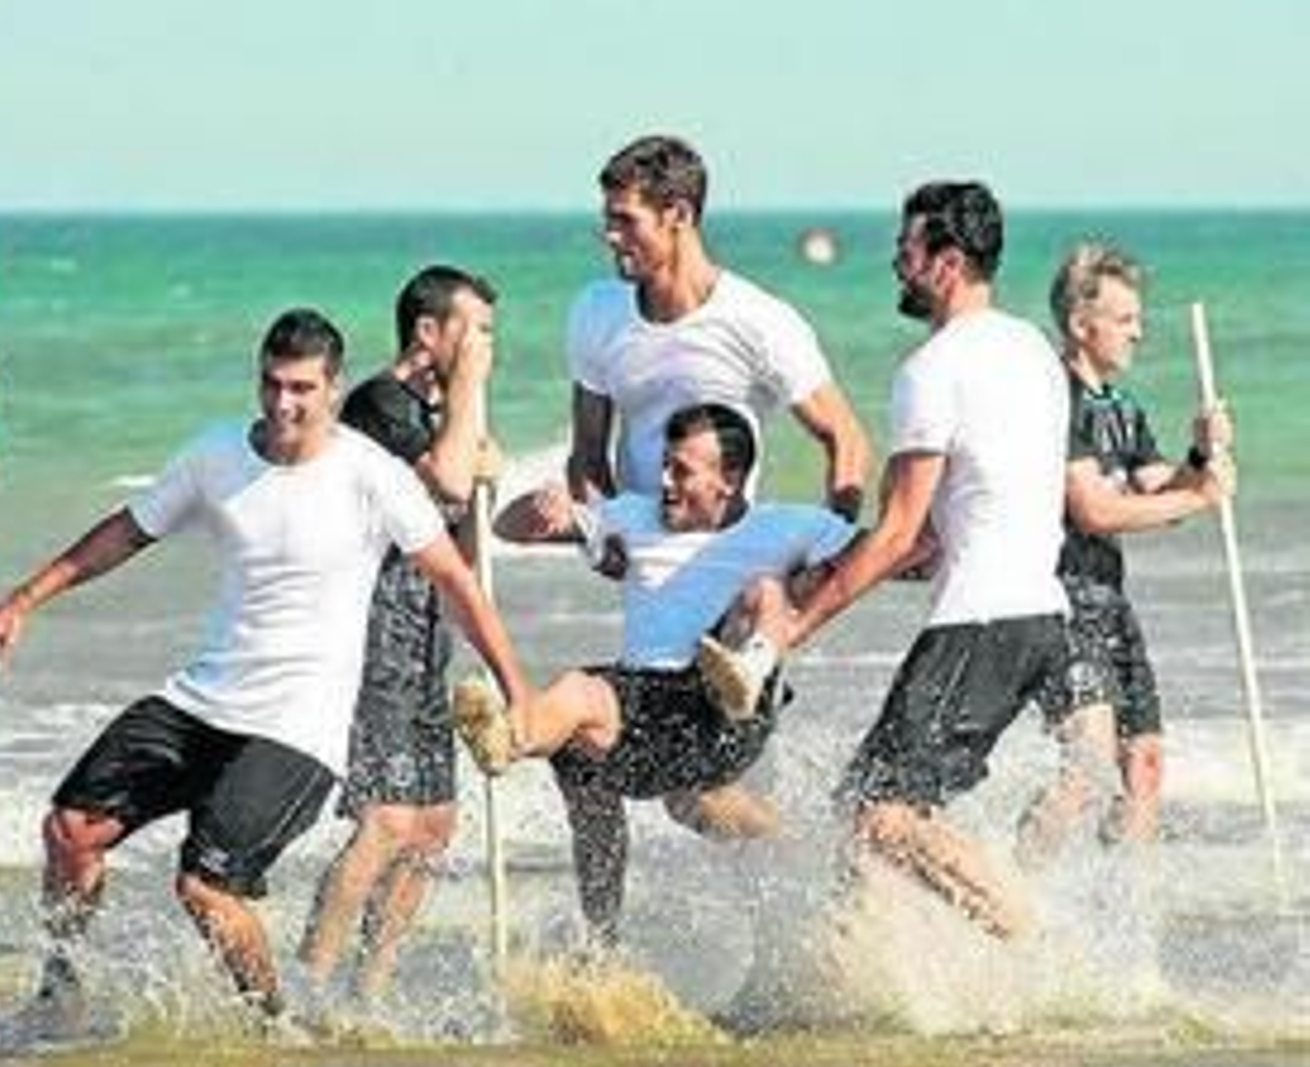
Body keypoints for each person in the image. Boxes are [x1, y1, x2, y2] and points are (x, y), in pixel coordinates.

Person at [0, 308, 530, 1021]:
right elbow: (125, 533)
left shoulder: (369, 473)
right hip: (204, 699)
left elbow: (456, 580)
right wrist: (20, 603)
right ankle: (61, 989)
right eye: (271, 385)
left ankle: (275, 1026)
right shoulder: (217, 454)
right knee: (71, 830)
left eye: (301, 389)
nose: (283, 404)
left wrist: (517, 690)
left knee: (206, 886)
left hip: (297, 728)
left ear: (332, 388)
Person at [761, 181, 1071, 940]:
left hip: (983, 619)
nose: (897, 265)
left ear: (948, 262)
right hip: (1035, 617)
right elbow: (945, 524)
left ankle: (1029, 941)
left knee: (880, 813)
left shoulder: (932, 369)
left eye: (908, 251)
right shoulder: (1032, 349)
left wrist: (794, 626)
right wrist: (847, 561)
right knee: (866, 808)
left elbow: (900, 531)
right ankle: (881, 981)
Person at [459, 403, 858, 946]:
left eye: (683, 471)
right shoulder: (632, 515)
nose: (666, 483)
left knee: (760, 593)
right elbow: (509, 528)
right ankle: (603, 945)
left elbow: (885, 552)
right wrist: (541, 504)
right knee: (586, 761)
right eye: (666, 465)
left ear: (730, 480)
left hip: (724, 701)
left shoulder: (788, 526)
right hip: (646, 708)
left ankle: (512, 736)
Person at [296, 265, 500, 1002]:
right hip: (371, 636)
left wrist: (490, 481)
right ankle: (307, 986)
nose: (485, 347)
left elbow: (466, 556)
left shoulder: (449, 418)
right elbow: (443, 481)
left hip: (427, 639)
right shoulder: (380, 404)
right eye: (473, 331)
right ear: (429, 332)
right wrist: (471, 403)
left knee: (434, 827)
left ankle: (370, 991)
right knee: (385, 821)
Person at [1014, 244, 1234, 865]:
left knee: (1145, 763)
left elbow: (1156, 487)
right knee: (1085, 770)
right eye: (1126, 318)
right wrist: (1201, 499)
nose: (1139, 331)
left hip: (1110, 597)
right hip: (1058, 601)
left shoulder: (1121, 407)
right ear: (1084, 326)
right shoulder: (1056, 399)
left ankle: (1120, 924)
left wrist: (1200, 460)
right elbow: (1095, 511)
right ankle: (1010, 892)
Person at [564, 133, 870, 521]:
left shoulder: (759, 320)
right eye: (608, 220)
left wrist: (828, 549)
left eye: (626, 220)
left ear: (680, 215)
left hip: (727, 557)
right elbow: (588, 454)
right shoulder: (596, 310)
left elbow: (847, 438)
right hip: (638, 561)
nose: (611, 236)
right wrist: (608, 539)